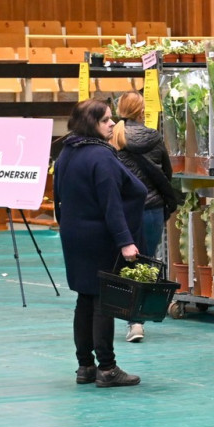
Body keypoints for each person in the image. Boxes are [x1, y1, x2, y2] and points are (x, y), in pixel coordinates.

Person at [53, 99, 146, 388]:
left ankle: (85, 366)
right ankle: (107, 368)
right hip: (99, 237)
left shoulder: (67, 151)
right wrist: (125, 241)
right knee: (104, 300)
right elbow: (111, 204)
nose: (112, 123)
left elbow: (58, 197)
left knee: (85, 298)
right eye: (105, 119)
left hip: (73, 235)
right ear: (90, 123)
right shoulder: (101, 156)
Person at [110, 92, 174, 343]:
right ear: (141, 111)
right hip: (152, 208)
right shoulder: (154, 137)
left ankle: (123, 317)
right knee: (146, 262)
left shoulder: (113, 138)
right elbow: (166, 171)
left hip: (123, 209)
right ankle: (137, 320)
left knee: (123, 263)